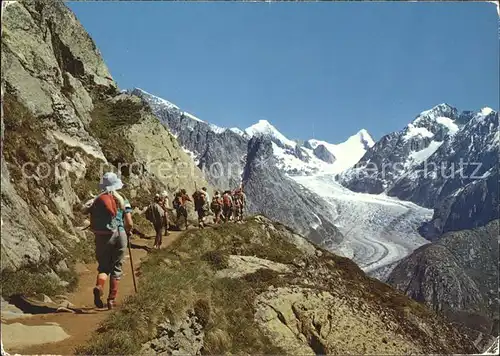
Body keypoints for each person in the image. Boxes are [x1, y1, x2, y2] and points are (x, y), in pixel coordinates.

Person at [85, 172, 133, 310]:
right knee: (117, 267)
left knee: (104, 267)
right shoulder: (122, 198)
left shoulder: (97, 200)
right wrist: (128, 231)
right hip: (121, 234)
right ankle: (111, 300)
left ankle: (99, 286)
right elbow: (129, 222)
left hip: (104, 235)